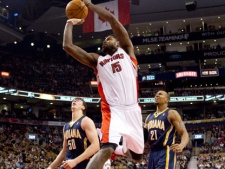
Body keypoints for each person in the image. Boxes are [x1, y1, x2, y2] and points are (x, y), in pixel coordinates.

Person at [63, 0, 144, 168]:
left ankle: (122, 149)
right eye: (104, 40)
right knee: (107, 148)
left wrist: (90, 5)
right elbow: (68, 46)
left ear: (118, 42)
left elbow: (113, 20)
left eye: (110, 38)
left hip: (133, 110)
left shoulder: (127, 51)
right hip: (113, 111)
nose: (106, 39)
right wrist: (70, 23)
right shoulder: (97, 61)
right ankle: (113, 150)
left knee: (137, 156)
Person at [47, 98, 99, 169]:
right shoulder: (66, 126)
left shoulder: (86, 121)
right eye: (73, 100)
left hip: (83, 164)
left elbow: (96, 145)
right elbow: (64, 151)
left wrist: (75, 161)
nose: (74, 101)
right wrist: (50, 167)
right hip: (68, 164)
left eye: (78, 100)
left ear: (83, 107)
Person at [144, 90, 189, 169]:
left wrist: (182, 145)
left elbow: (184, 133)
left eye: (160, 94)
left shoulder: (171, 113)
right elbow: (144, 137)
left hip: (165, 151)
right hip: (152, 152)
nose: (156, 96)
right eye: (156, 95)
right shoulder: (149, 117)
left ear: (166, 100)